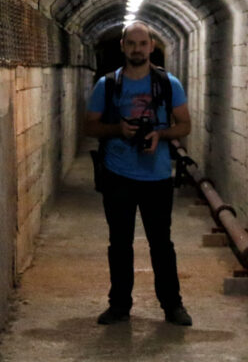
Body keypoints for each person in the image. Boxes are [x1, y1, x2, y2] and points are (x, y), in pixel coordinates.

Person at [81, 21, 194, 326]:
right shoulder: (108, 85)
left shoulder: (169, 84)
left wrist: (161, 135)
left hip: (157, 177)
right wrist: (118, 129)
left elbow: (185, 125)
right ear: (122, 46)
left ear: (151, 46)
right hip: (118, 174)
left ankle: (172, 306)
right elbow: (89, 126)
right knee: (120, 243)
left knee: (162, 244)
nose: (137, 49)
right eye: (131, 43)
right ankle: (119, 305)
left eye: (142, 44)